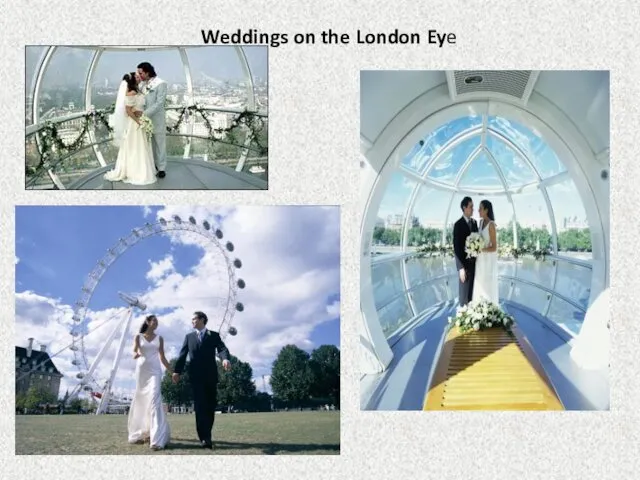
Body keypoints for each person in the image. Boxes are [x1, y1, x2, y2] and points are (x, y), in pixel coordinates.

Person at [172, 311, 232, 449]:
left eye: (194, 319)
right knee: (199, 408)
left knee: (210, 407)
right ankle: (204, 438)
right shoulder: (189, 337)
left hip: (211, 377)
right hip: (196, 377)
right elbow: (182, 355)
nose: (192, 321)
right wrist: (177, 371)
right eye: (192, 319)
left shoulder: (214, 335)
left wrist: (225, 359)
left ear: (202, 319)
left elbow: (222, 349)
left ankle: (207, 434)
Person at [104, 72, 157, 185]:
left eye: (139, 76)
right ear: (133, 80)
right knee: (135, 146)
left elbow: (135, 107)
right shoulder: (131, 92)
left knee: (138, 146)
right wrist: (138, 121)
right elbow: (128, 111)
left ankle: (138, 169)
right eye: (137, 77)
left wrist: (140, 114)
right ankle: (136, 171)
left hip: (138, 120)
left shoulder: (137, 90)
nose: (139, 78)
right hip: (134, 123)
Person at [127, 314, 172, 450]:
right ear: (147, 322)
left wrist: (172, 371)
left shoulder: (160, 338)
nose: (156, 323)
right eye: (154, 321)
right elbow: (134, 351)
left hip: (155, 371)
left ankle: (157, 439)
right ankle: (143, 432)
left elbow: (162, 357)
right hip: (142, 372)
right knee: (141, 401)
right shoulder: (138, 336)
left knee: (154, 400)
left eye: (157, 321)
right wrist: (136, 354)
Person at [136, 62, 167, 178]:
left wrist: (144, 114)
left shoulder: (161, 83)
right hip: (145, 121)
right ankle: (152, 165)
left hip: (157, 119)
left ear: (147, 72)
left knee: (160, 144)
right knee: (149, 144)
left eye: (141, 73)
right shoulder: (142, 85)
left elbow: (159, 104)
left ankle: (162, 168)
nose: (139, 75)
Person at [472, 199, 499, 304]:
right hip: (480, 260)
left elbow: (494, 247)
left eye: (480, 208)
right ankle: (479, 307)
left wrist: (480, 249)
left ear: (486, 210)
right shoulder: (481, 222)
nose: (478, 210)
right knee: (479, 283)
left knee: (487, 285)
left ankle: (489, 309)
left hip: (488, 261)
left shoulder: (491, 225)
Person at [452, 196, 478, 306]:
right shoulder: (458, 225)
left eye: (473, 206)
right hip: (464, 265)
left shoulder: (474, 223)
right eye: (471, 207)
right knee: (464, 294)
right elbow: (456, 247)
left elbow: (477, 240)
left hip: (475, 264)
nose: (473, 209)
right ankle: (462, 315)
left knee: (472, 293)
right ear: (464, 207)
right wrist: (461, 268)